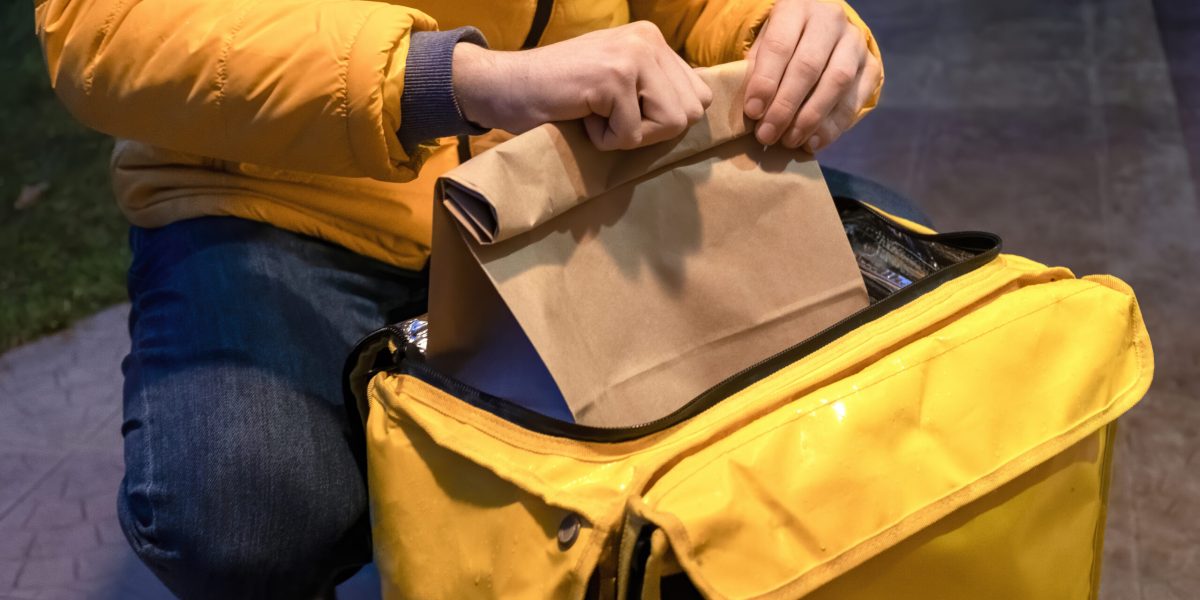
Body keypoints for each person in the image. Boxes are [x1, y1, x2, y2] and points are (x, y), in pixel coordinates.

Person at [34, 0, 884, 596]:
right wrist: (452, 79)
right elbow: (103, 27)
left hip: (559, 173)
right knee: (243, 514)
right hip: (271, 193)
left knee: (867, 335)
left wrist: (782, 27)